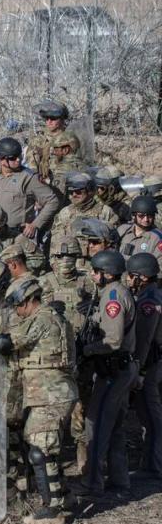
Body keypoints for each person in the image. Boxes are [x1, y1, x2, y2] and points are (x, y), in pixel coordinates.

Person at [0, 276, 78, 524]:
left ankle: (53, 510)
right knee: (47, 447)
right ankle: (64, 498)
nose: (16, 310)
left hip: (51, 393)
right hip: (48, 392)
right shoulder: (49, 318)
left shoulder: (43, 318)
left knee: (41, 449)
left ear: (27, 300)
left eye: (17, 305)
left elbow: (7, 342)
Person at [80, 250, 136, 498]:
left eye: (96, 271)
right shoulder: (113, 293)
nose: (93, 275)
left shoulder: (113, 296)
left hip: (114, 369)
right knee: (115, 427)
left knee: (98, 424)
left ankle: (92, 483)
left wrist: (87, 349)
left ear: (108, 273)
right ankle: (120, 480)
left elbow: (112, 340)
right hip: (121, 368)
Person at [0, 137, 61, 241]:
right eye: (13, 158)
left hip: (15, 238)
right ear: (1, 159)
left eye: (19, 156)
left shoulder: (28, 178)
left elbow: (52, 201)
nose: (18, 160)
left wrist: (35, 225)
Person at [124, 254, 162, 479]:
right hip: (154, 362)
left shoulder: (149, 300)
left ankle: (155, 465)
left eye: (132, 275)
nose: (129, 279)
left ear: (142, 276)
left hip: (152, 364)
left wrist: (139, 368)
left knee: (152, 415)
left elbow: (146, 339)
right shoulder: (152, 293)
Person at [49, 172, 119, 243]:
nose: (74, 195)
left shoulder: (105, 212)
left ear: (89, 191)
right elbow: (55, 238)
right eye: (71, 192)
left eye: (78, 192)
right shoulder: (65, 213)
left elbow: (114, 239)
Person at [27, 99, 70, 184]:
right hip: (43, 185)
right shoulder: (38, 141)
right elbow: (32, 167)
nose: (49, 121)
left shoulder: (71, 140)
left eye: (53, 118)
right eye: (46, 118)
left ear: (62, 119)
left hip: (66, 184)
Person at [117, 195, 162, 270]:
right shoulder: (122, 230)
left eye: (150, 216)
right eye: (141, 216)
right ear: (134, 216)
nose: (146, 219)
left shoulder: (157, 238)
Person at [48, 131, 86, 195]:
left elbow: (56, 197)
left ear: (65, 150)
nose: (54, 152)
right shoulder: (83, 164)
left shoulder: (62, 169)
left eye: (56, 149)